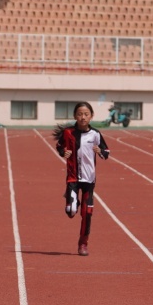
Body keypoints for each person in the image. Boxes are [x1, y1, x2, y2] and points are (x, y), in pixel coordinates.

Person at [53, 102, 110, 256]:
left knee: (87, 212)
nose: (83, 117)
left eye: (86, 114)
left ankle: (83, 243)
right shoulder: (68, 132)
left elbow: (106, 152)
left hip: (89, 180)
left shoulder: (95, 134)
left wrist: (100, 151)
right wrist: (63, 152)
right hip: (73, 178)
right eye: (79, 114)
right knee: (71, 211)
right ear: (75, 116)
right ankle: (72, 200)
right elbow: (59, 146)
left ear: (91, 116)